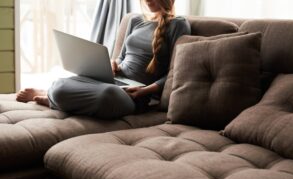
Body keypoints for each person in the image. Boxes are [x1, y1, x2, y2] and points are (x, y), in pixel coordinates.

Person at [16, 0, 191, 118]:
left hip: (135, 95)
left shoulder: (178, 25)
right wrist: (113, 65)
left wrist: (144, 91)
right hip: (113, 80)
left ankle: (52, 98)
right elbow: (121, 58)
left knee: (108, 96)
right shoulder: (135, 20)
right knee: (61, 83)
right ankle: (54, 94)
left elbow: (175, 72)